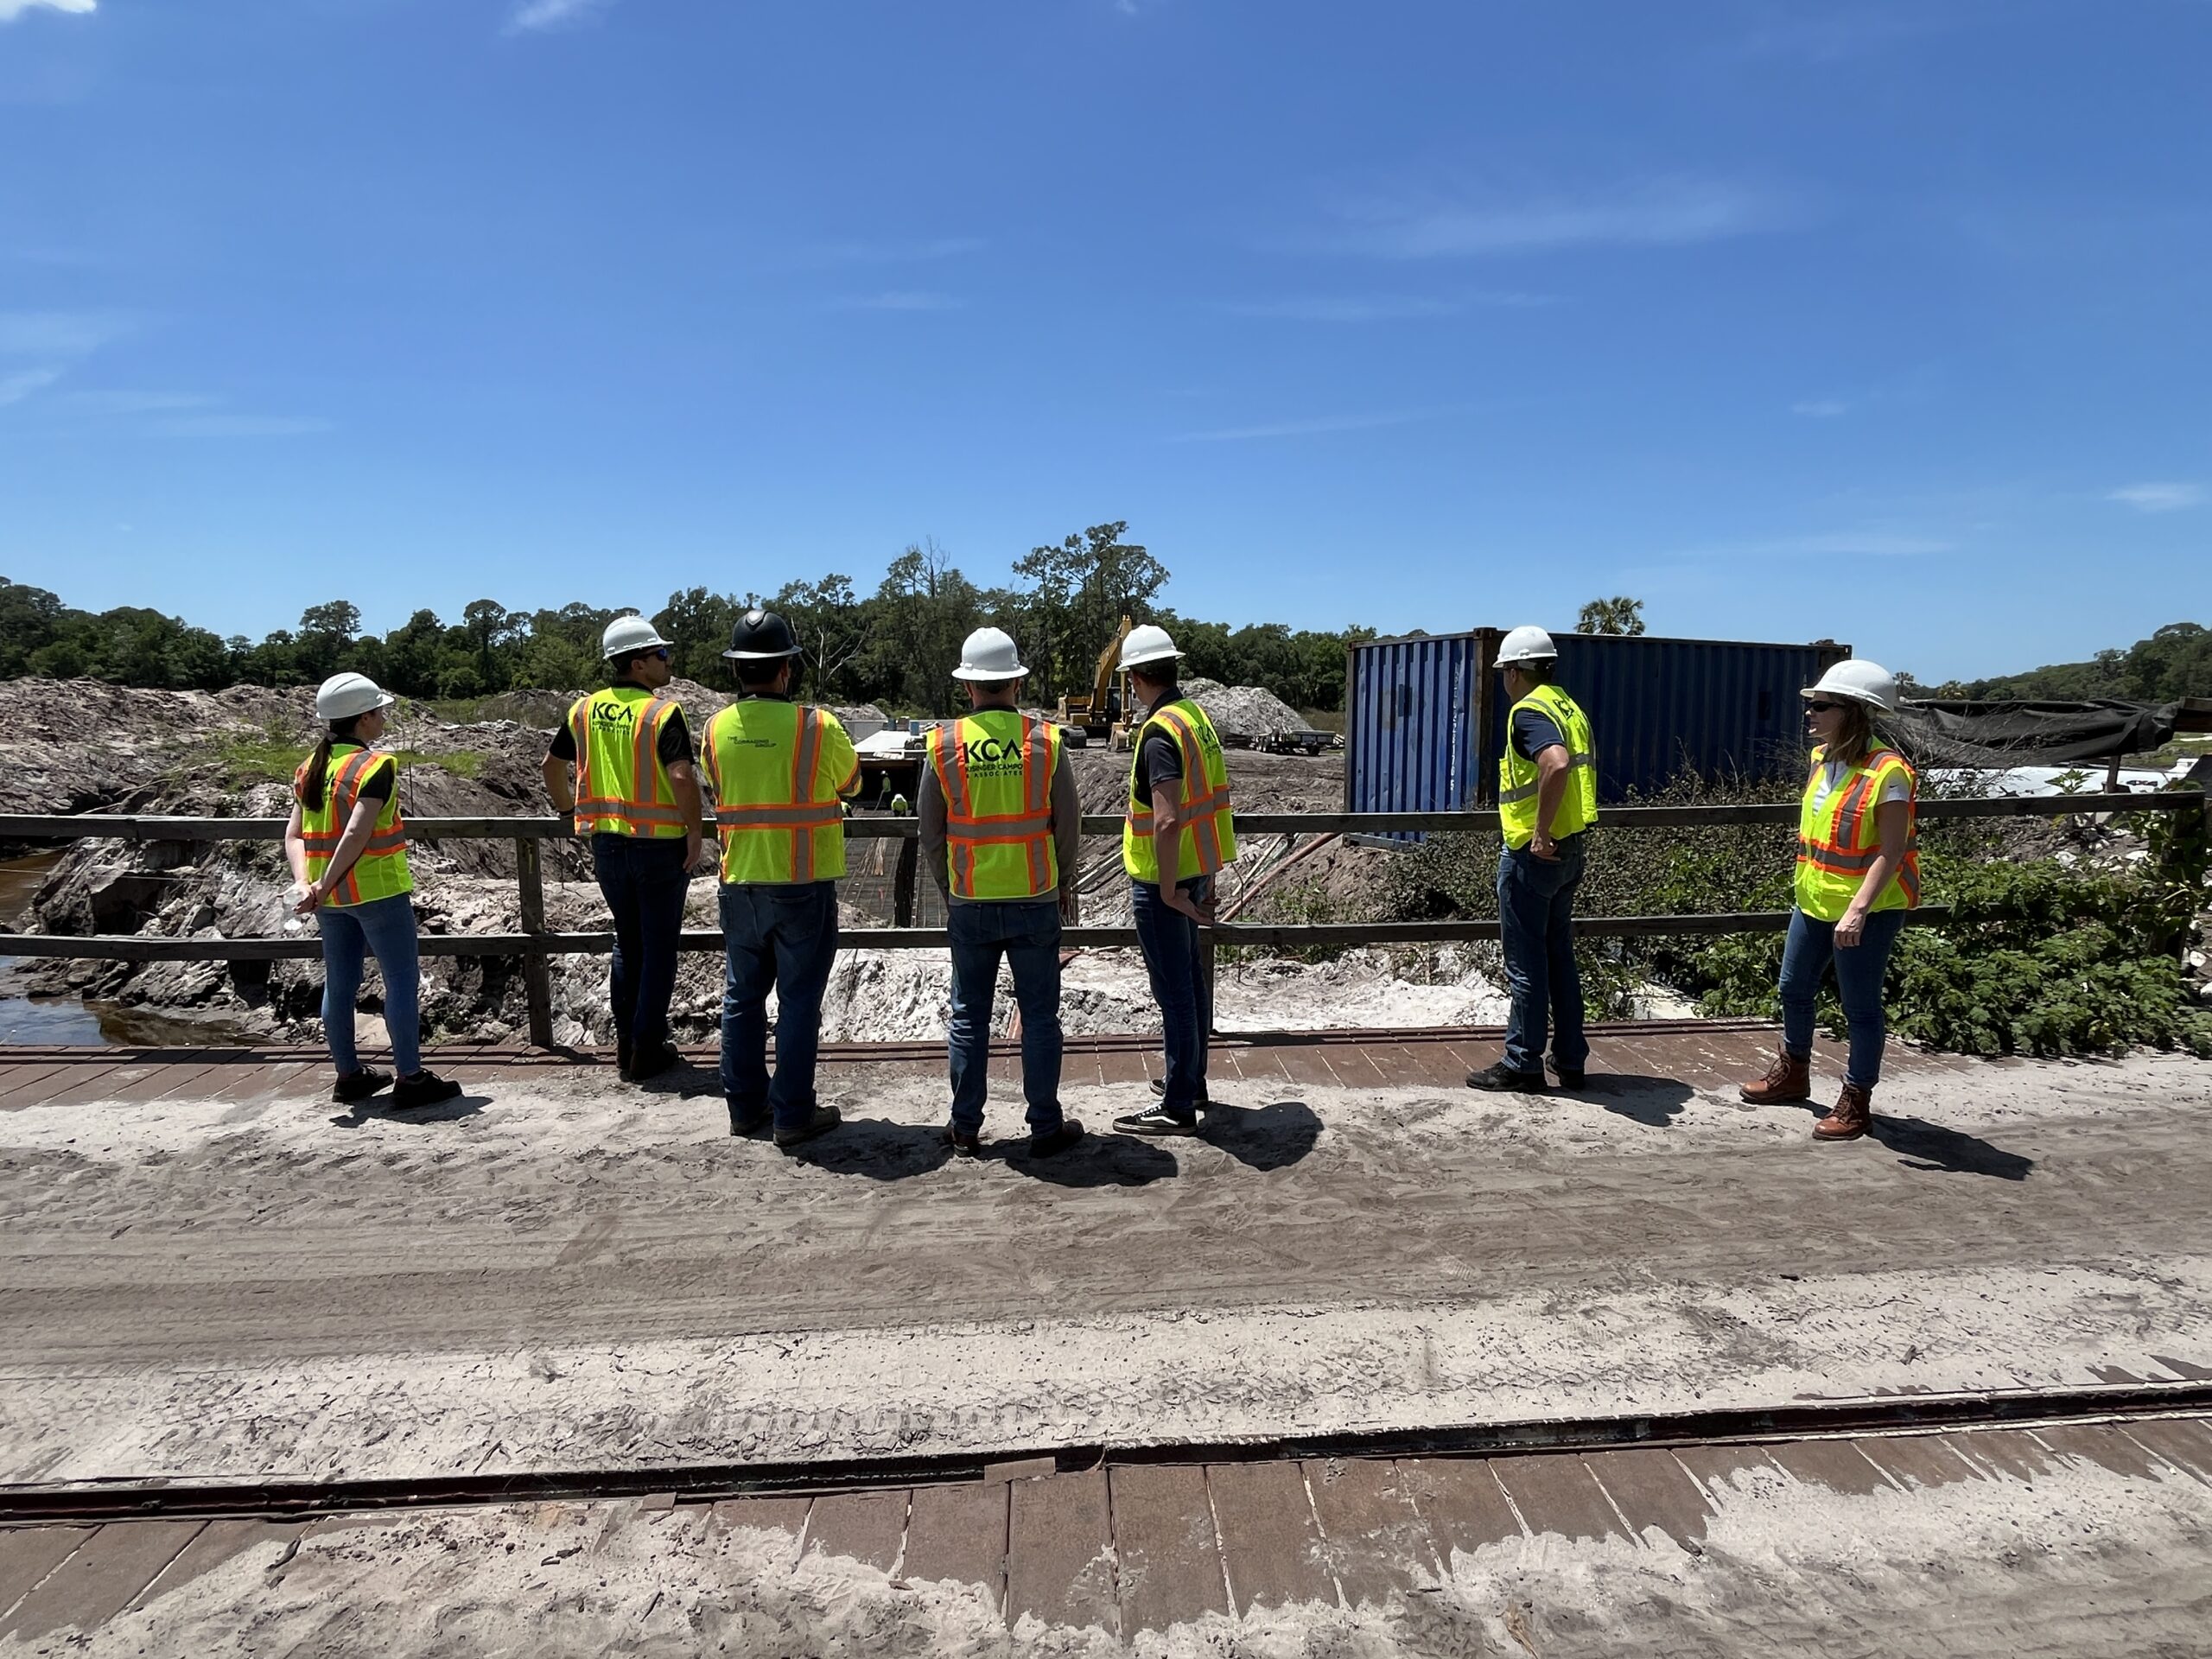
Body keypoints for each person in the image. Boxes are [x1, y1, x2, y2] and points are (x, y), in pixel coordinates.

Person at [918, 627, 1085, 1159]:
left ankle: (964, 1128)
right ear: (1016, 681)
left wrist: (950, 887)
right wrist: (1062, 880)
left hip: (971, 900)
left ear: (968, 686)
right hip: (1035, 896)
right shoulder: (1045, 741)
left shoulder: (942, 745)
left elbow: (930, 831)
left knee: (968, 1014)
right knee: (1040, 1017)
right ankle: (1044, 1127)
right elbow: (1068, 823)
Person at [699, 608, 861, 1148]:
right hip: (803, 884)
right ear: (787, 669)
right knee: (797, 1001)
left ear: (738, 671)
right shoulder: (818, 726)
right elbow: (853, 783)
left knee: (742, 998)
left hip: (739, 881)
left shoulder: (714, 729)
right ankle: (792, 1114)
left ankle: (745, 1109)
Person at [1740, 658, 1920, 1141]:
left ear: (1854, 710)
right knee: (1793, 988)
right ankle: (1794, 1073)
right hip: (1814, 899)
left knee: (1860, 1008)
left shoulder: (1890, 772)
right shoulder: (1822, 758)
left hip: (1867, 910)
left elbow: (1893, 849)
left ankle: (1857, 1099)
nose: (1810, 713)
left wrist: (1858, 909)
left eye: (1821, 705)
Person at [285, 672, 461, 1109]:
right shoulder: (375, 765)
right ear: (363, 717)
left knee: (340, 982)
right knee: (401, 980)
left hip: (330, 900)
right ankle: (411, 1078)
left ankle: (349, 1076)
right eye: (379, 711)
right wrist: (323, 884)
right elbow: (357, 834)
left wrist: (307, 884)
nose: (383, 718)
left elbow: (293, 836)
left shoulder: (312, 766)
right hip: (377, 892)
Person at [543, 615, 706, 1083]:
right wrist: (695, 832)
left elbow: (551, 766)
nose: (667, 660)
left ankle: (625, 1045)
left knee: (627, 944)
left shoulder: (583, 710)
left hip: (608, 848)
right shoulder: (661, 713)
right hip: (658, 849)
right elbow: (679, 776)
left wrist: (566, 810)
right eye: (661, 655)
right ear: (638, 663)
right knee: (658, 950)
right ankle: (647, 1048)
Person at [1109, 624, 1237, 1136]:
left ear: (1137, 677)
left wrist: (1166, 891)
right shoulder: (1195, 717)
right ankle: (1189, 1080)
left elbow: (1165, 818)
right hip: (1196, 868)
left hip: (1168, 881)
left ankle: (1179, 1104)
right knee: (1189, 982)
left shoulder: (1160, 731)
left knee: (1175, 991)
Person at [1467, 626, 1598, 1094]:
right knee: (1560, 958)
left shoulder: (1528, 711)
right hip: (1571, 848)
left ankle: (1522, 1062)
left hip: (1534, 853)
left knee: (1526, 964)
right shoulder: (1567, 705)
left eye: (1505, 671)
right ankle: (1570, 1060)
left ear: (1515, 672)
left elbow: (1556, 763)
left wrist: (1539, 834)